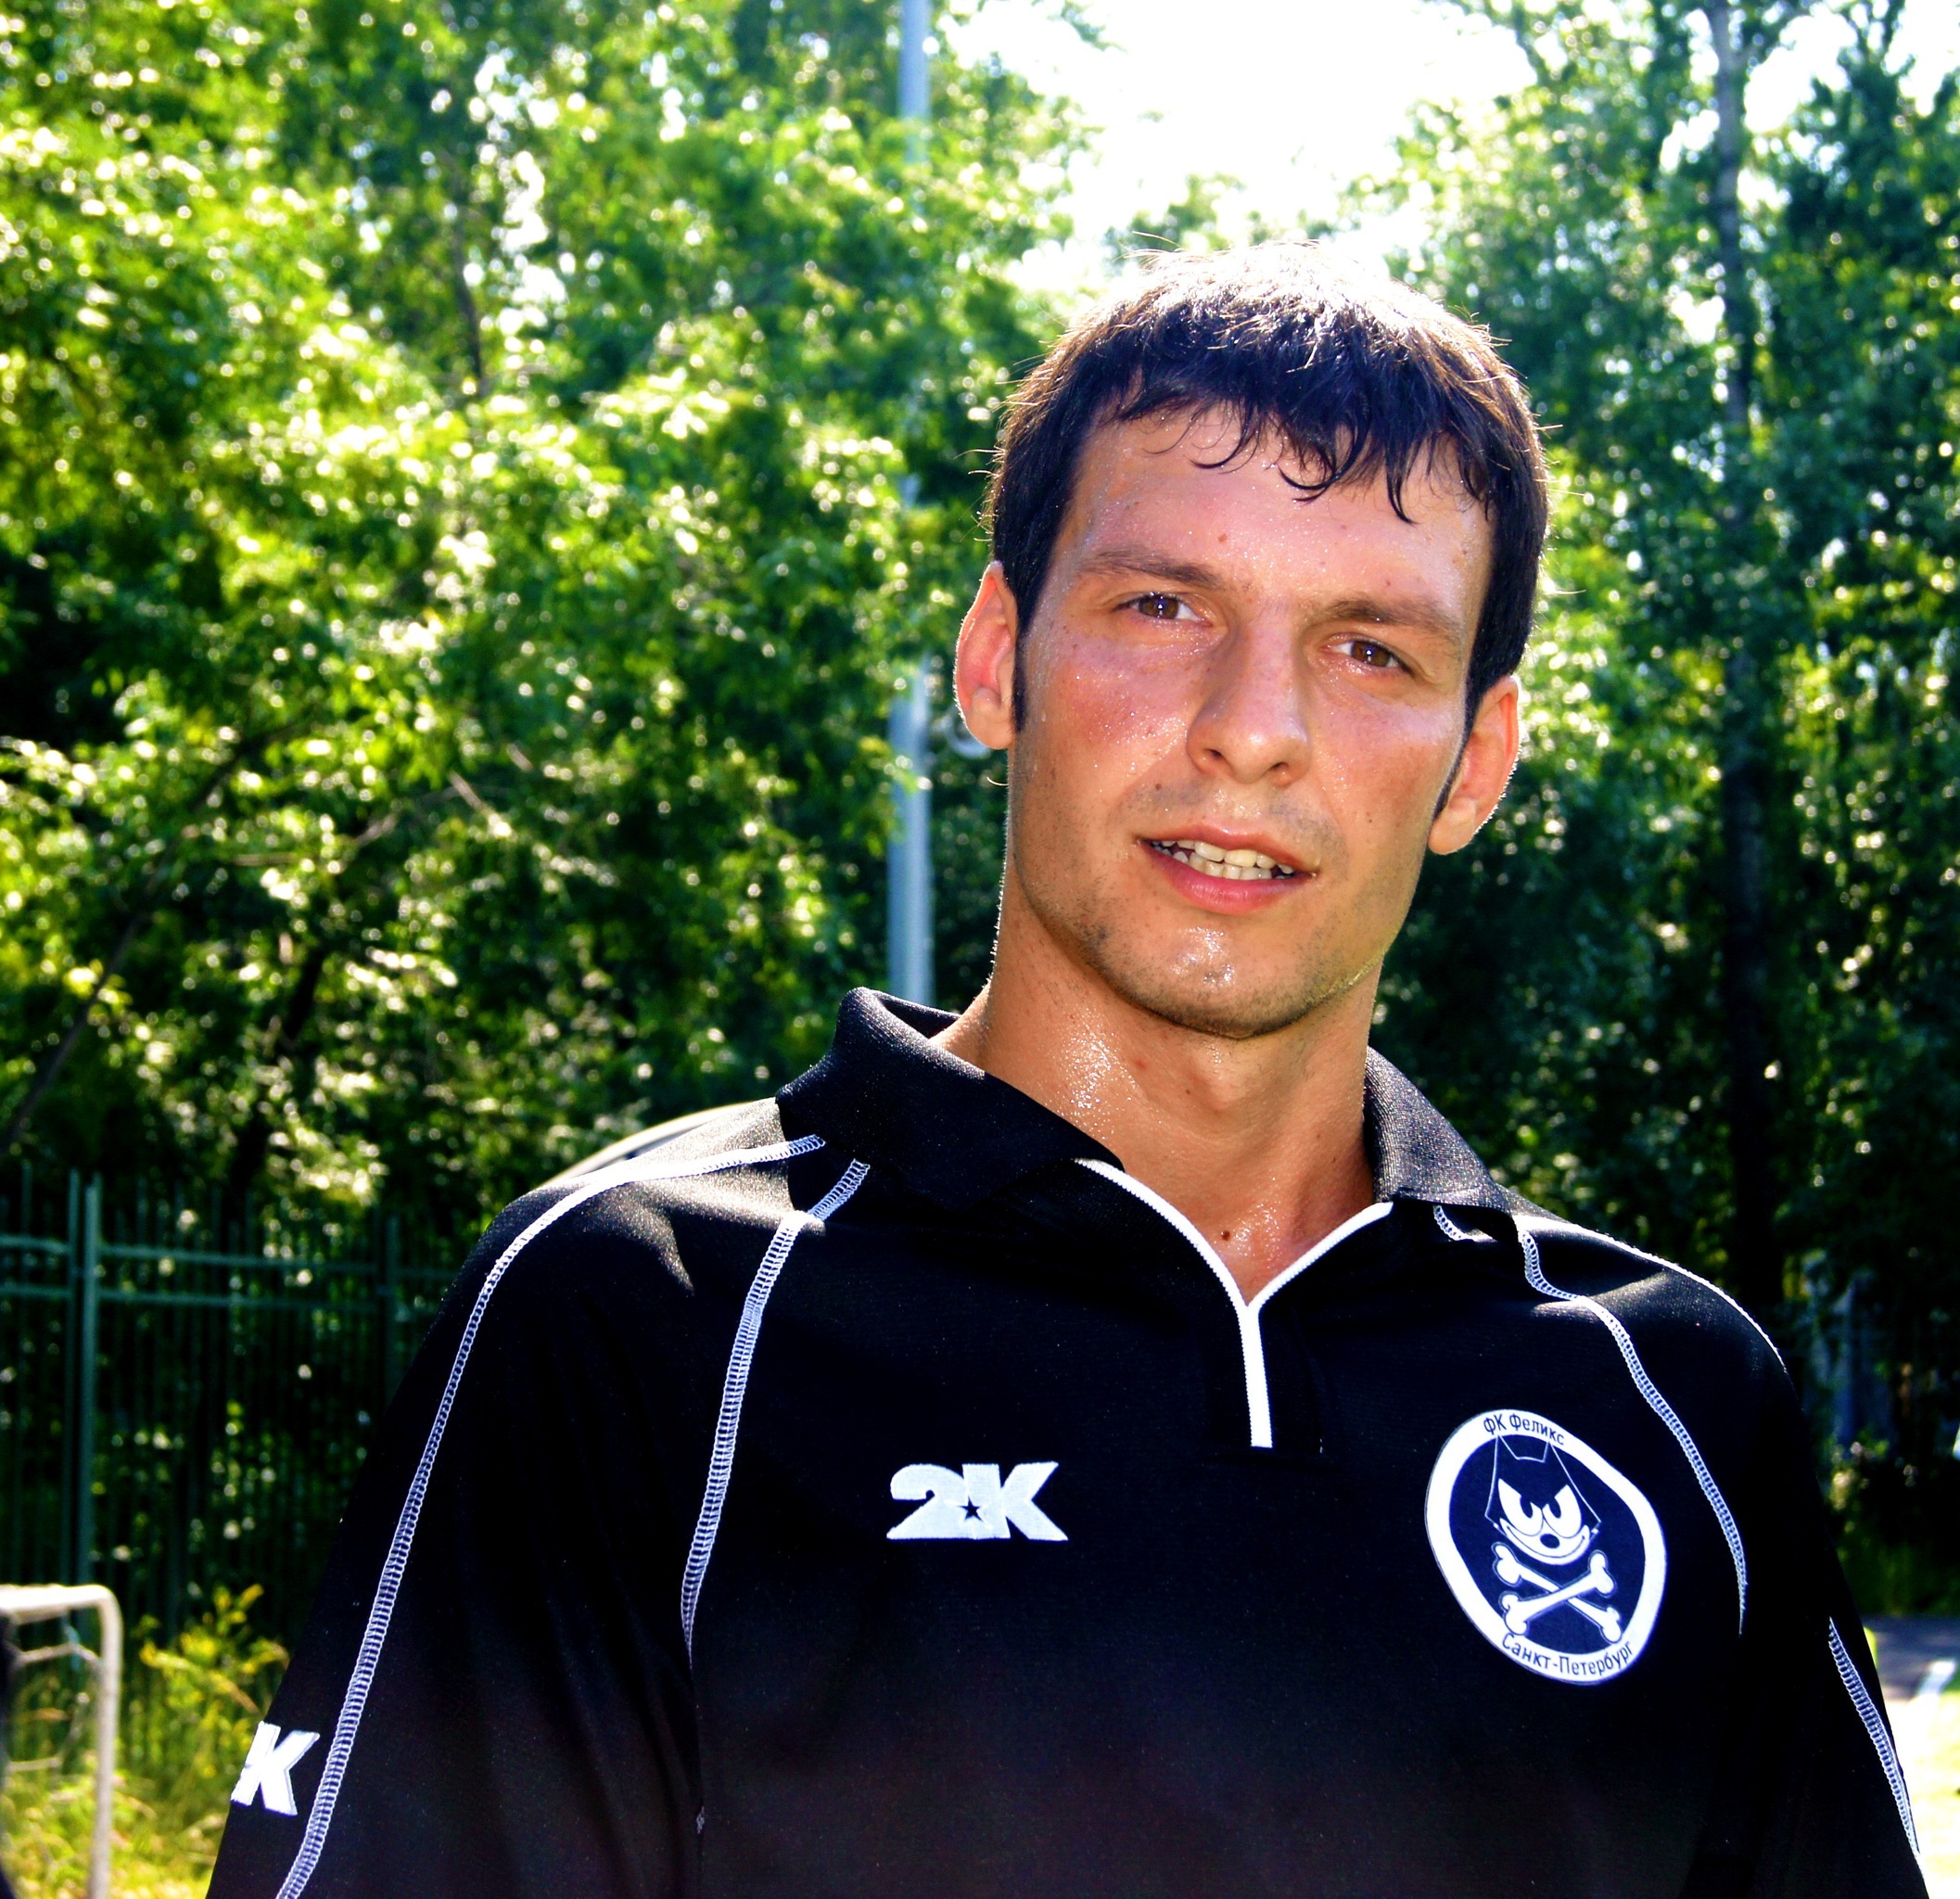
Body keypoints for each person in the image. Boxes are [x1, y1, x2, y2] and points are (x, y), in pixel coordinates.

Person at [209, 246, 1925, 1899]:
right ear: (994, 660)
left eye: (1371, 649)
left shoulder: (1675, 1399)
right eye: (1161, 605)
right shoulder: (637, 1317)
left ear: (1475, 761)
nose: (1251, 727)